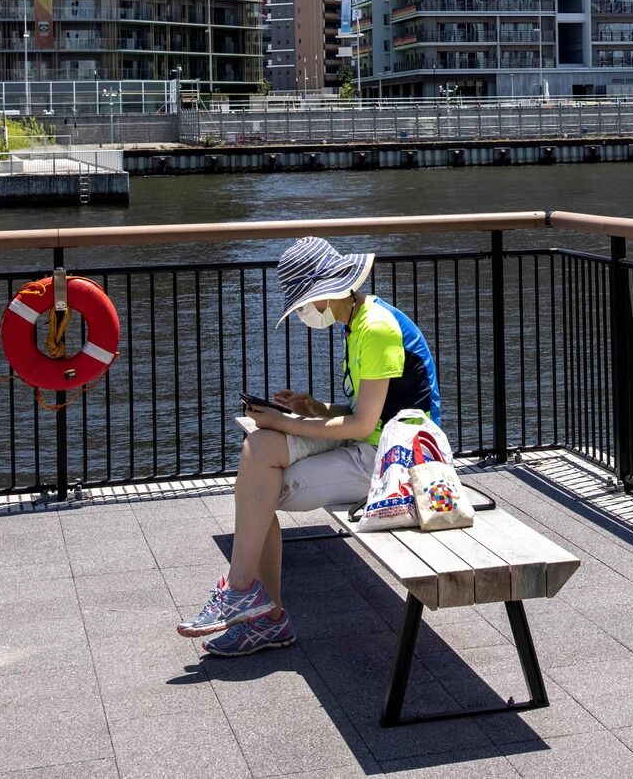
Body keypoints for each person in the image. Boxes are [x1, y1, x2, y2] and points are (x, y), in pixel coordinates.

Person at [177, 236, 441, 656]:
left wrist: (286, 421)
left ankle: (253, 603)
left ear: (321, 294)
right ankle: (252, 601)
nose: (303, 312)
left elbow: (365, 423)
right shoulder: (360, 321)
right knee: (260, 448)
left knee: (260, 491)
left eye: (302, 303)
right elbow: (367, 411)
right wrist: (315, 408)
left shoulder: (374, 329)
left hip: (397, 460)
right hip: (372, 442)